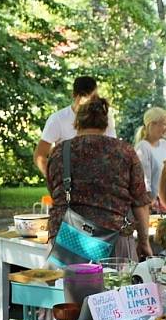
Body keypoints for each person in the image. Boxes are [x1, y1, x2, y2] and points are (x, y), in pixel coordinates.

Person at [46, 97, 152, 260]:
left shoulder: (59, 152)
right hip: (114, 241)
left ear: (77, 123)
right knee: (116, 285)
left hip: (66, 239)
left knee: (66, 285)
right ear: (105, 124)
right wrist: (144, 241)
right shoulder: (125, 151)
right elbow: (140, 203)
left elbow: (54, 193)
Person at [33, 76, 115, 176]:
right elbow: (40, 155)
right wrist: (55, 181)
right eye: (83, 99)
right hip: (69, 183)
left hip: (99, 179)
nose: (87, 106)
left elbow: (112, 150)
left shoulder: (105, 117)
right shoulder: (58, 119)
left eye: (92, 99)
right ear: (74, 95)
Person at [133, 107, 166, 212]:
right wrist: (152, 202)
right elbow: (144, 182)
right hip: (151, 207)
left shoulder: (165, 144)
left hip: (164, 204)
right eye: (164, 124)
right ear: (152, 124)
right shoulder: (143, 147)